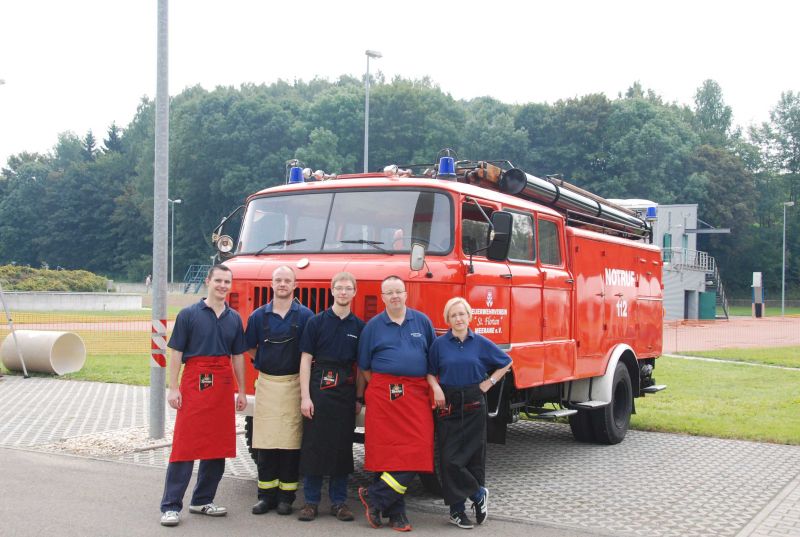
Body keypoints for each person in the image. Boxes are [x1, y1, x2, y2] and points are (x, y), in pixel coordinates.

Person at [159, 264, 248, 527]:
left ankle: (202, 500)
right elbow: (175, 352)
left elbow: (238, 357)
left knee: (217, 446)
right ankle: (171, 506)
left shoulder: (234, 318)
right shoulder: (188, 315)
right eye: (218, 280)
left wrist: (242, 389)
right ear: (208, 281)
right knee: (185, 445)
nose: (222, 285)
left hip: (222, 385)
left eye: (227, 281)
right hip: (194, 382)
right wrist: (173, 387)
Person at [357, 275, 436, 532]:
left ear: (406, 294)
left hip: (416, 394)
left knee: (419, 449)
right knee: (387, 454)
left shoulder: (422, 321)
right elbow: (365, 366)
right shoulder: (373, 327)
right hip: (384, 395)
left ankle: (374, 496)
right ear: (382, 297)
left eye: (398, 291)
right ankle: (397, 515)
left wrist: (433, 387)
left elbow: (432, 360)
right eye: (389, 292)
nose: (394, 296)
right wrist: (385, 386)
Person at [426, 297, 512, 529]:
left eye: (462, 314)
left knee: (473, 458)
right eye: (453, 315)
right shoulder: (439, 345)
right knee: (449, 459)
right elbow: (431, 372)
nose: (458, 319)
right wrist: (435, 388)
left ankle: (462, 510)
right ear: (448, 320)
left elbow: (506, 361)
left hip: (474, 402)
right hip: (449, 403)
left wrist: (489, 383)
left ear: (469, 316)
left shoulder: (481, 343)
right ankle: (475, 495)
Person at [296, 272, 366, 522]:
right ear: (332, 290)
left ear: (354, 292)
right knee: (314, 446)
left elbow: (361, 366)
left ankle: (339, 502)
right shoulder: (315, 323)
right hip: (318, 390)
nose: (344, 292)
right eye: (339, 288)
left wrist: (358, 397)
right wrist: (305, 397)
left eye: (348, 288)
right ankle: (311, 502)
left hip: (345, 393)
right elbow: (305, 360)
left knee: (341, 448)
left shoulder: (359, 327)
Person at [245, 265, 314, 516]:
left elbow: (309, 353)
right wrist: (267, 362)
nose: (282, 284)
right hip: (266, 385)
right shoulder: (258, 317)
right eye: (278, 280)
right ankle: (266, 496)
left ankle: (286, 497)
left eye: (287, 280)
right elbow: (250, 348)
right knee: (265, 443)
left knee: (290, 444)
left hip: (293, 385)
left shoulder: (306, 316)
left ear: (295, 285)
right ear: (272, 284)